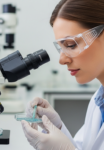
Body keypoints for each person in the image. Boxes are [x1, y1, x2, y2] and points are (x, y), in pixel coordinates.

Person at [21, 0, 104, 150]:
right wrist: (57, 128)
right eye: (61, 48)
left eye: (71, 45)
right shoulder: (99, 100)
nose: (62, 60)